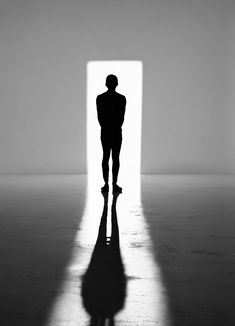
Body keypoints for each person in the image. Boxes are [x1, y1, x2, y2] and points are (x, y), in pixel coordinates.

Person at [96, 74, 126, 193]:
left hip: (106, 131)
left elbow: (100, 117)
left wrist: (106, 126)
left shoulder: (100, 98)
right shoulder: (121, 98)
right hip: (116, 131)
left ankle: (107, 184)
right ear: (116, 84)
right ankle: (114, 184)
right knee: (115, 158)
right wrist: (115, 126)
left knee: (106, 156)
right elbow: (121, 117)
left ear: (106, 84)